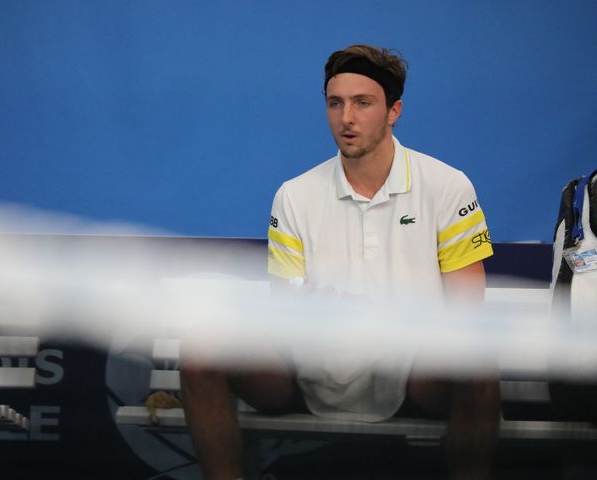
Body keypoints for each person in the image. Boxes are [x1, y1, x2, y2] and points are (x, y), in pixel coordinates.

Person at [181, 44, 500, 479]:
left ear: (394, 111)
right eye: (336, 103)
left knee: (476, 360)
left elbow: (467, 314)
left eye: (362, 103)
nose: (346, 118)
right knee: (202, 349)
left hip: (413, 376)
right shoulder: (293, 194)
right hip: (311, 370)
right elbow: (285, 311)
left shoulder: (448, 185)